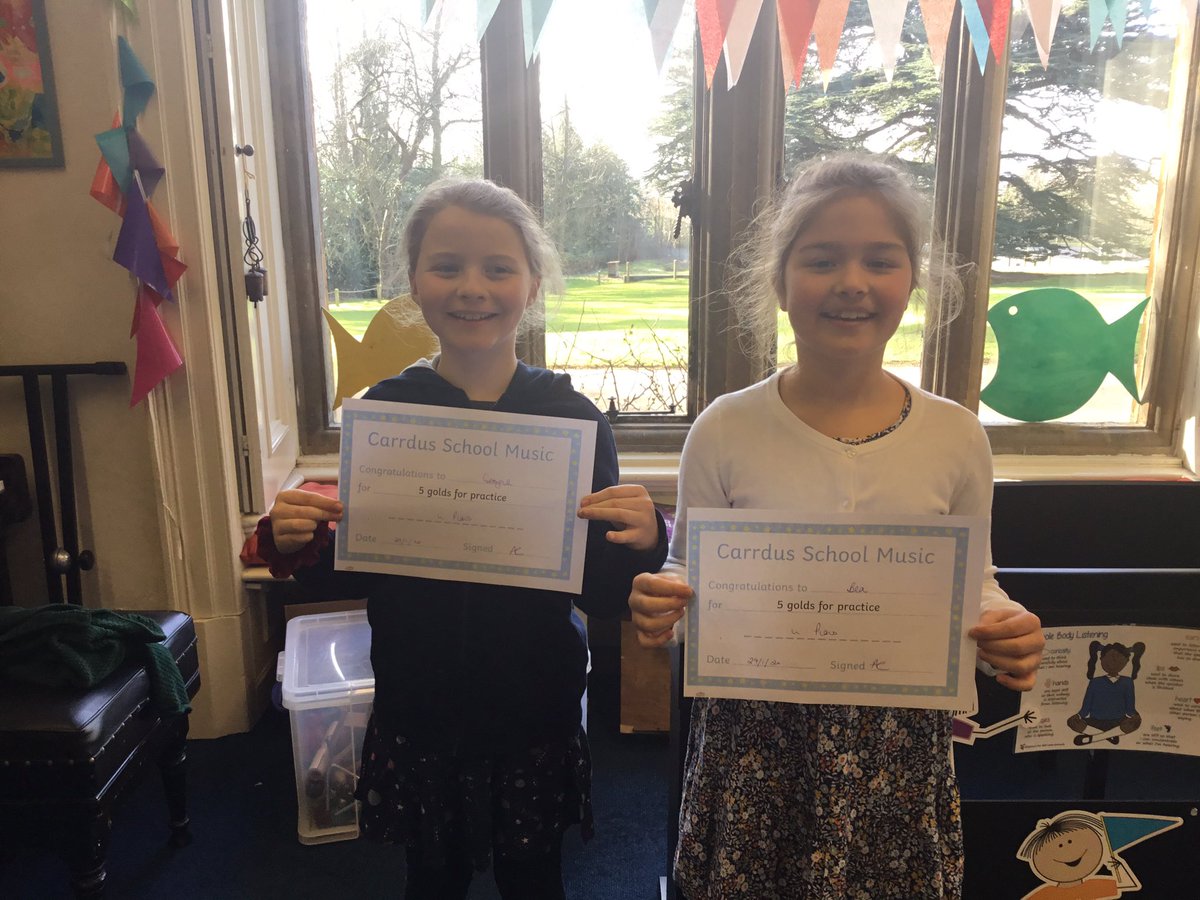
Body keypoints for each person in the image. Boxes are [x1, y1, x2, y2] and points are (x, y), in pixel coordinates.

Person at [627, 154, 1045, 898]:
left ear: (911, 281)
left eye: (880, 261)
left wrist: (1003, 627)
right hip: (755, 748)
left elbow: (972, 582)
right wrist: (664, 601)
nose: (852, 282)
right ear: (781, 283)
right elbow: (691, 572)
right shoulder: (725, 428)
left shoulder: (956, 437)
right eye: (822, 260)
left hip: (897, 750)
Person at [259, 178, 668, 900]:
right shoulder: (387, 413)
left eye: (498, 268)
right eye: (446, 267)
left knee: (534, 881)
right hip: (419, 705)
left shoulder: (573, 421)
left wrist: (645, 541)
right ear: (414, 283)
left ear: (532, 284)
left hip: (534, 709)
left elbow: (602, 595)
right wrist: (292, 542)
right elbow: (354, 572)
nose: (472, 287)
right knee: (431, 879)